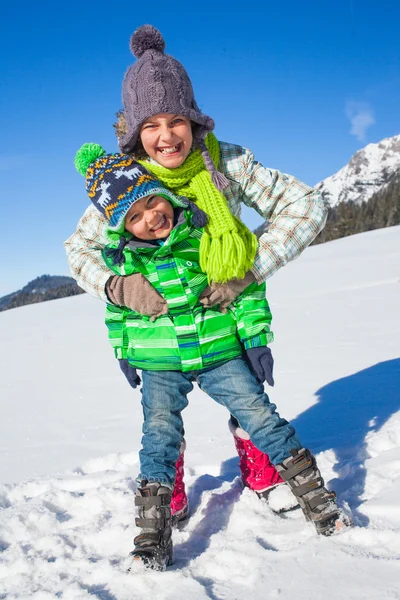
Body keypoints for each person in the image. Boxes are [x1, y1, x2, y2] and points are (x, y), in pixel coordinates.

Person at [66, 25, 350, 569]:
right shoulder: (123, 183)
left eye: (176, 120)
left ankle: (264, 471)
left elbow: (306, 206)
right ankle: (167, 487)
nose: (166, 136)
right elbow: (78, 250)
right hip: (161, 332)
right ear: (133, 135)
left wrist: (250, 269)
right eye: (151, 125)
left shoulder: (228, 163)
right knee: (160, 418)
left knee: (250, 392)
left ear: (195, 120)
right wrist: (115, 284)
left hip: (229, 316)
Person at [74, 145, 283, 569]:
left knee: (253, 405)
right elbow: (112, 305)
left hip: (220, 341)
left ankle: (263, 470)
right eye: (135, 215)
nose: (151, 216)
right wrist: (125, 349)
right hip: (163, 356)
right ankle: (171, 492)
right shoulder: (127, 252)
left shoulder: (213, 189)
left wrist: (256, 336)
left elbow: (244, 282)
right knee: (161, 427)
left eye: (154, 202)